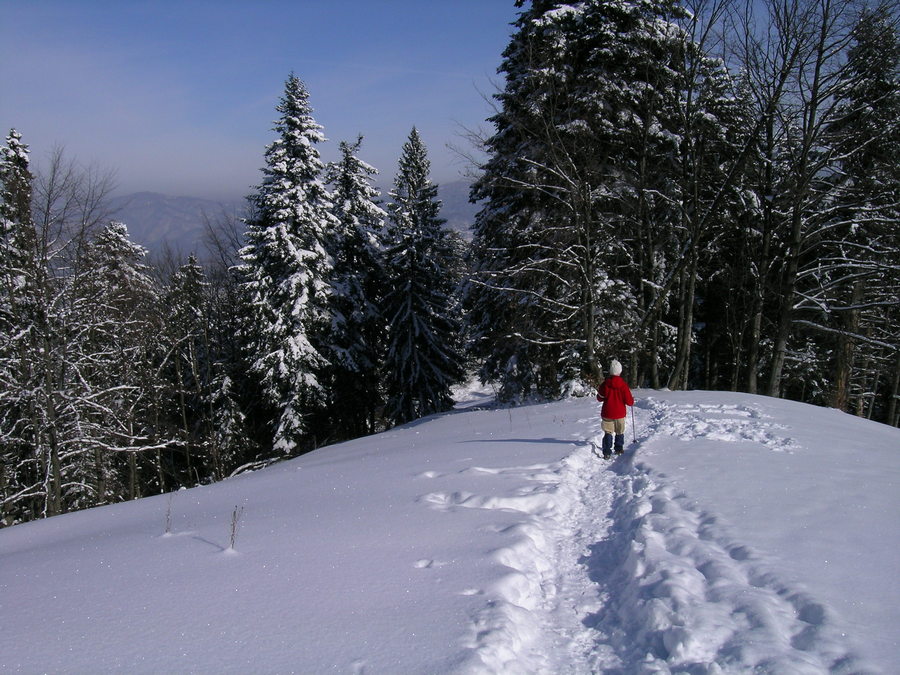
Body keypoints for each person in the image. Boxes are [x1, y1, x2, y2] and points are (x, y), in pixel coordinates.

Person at [596, 359, 634, 459]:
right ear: (620, 371)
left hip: (607, 413)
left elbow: (599, 398)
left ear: (610, 371)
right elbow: (629, 401)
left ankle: (607, 452)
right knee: (619, 431)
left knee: (608, 432)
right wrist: (631, 401)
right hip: (620, 414)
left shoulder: (605, 384)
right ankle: (618, 448)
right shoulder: (623, 385)